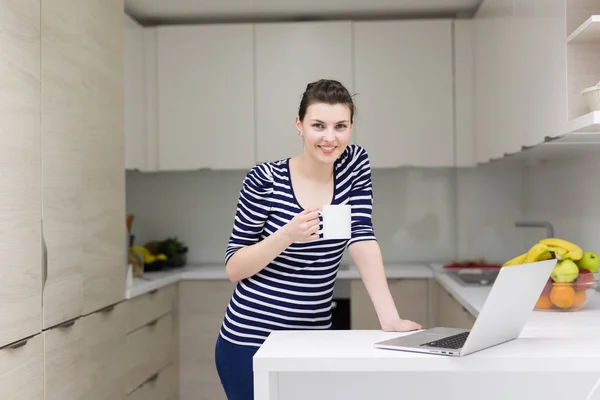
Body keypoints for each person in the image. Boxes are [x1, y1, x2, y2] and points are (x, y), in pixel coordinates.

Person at [214, 79, 422, 399]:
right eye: (318, 125)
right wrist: (286, 235)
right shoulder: (264, 180)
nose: (329, 137)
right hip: (250, 342)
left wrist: (390, 318)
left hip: (313, 338)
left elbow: (362, 235)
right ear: (299, 125)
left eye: (340, 126)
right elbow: (234, 267)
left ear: (351, 127)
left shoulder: (353, 164)